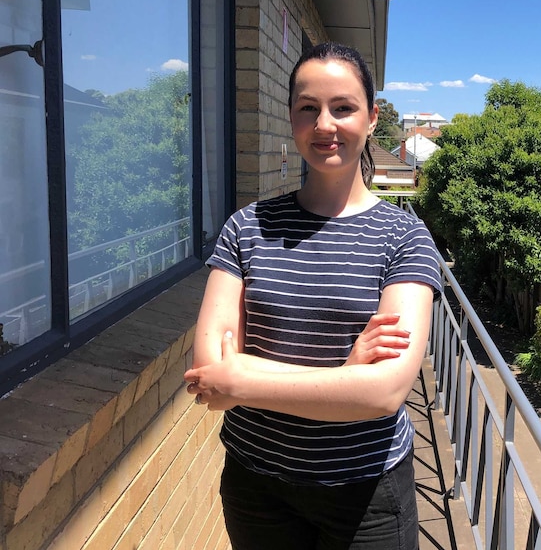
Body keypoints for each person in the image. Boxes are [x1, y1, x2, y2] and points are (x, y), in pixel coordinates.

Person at [184, 42, 442, 550]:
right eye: (309, 109)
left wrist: (245, 376)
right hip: (257, 485)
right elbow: (209, 377)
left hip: (365, 494)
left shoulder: (405, 238)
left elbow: (383, 393)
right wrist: (341, 378)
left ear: (372, 117)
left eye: (343, 107)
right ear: (292, 119)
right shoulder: (247, 227)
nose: (325, 124)